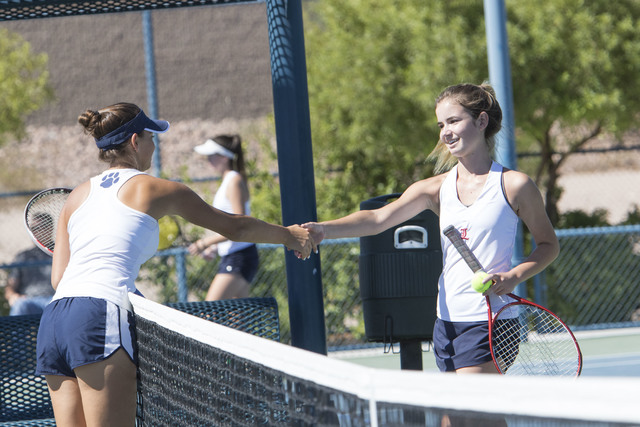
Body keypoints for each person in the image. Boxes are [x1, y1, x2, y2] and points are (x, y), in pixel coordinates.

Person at [35, 102, 315, 427]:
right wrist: (289, 235)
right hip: (99, 317)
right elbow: (235, 227)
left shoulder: (76, 197)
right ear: (136, 141)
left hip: (54, 323)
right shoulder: (155, 188)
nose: (155, 146)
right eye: (153, 137)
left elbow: (60, 279)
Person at [303, 83, 559, 375]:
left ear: (481, 121)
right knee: (455, 420)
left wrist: (514, 276)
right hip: (446, 322)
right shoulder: (434, 189)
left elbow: (549, 245)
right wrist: (322, 229)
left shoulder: (515, 185)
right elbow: (376, 220)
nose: (444, 132)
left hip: (492, 320)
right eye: (441, 124)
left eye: (453, 121)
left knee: (468, 413)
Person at [188, 135, 259, 300]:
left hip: (240, 257)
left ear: (224, 157)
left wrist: (204, 243)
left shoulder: (233, 181)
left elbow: (239, 225)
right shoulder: (229, 180)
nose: (208, 160)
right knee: (237, 322)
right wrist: (214, 248)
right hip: (236, 256)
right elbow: (232, 228)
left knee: (209, 312)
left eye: (212, 155)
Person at [6, 214, 55, 315]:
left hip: (55, 299)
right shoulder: (23, 256)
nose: (34, 232)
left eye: (39, 227)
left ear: (50, 229)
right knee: (20, 305)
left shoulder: (61, 253)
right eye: (32, 228)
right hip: (30, 301)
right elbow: (11, 285)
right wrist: (12, 295)